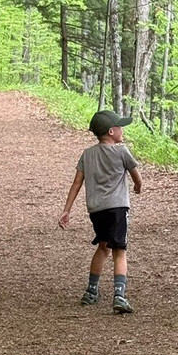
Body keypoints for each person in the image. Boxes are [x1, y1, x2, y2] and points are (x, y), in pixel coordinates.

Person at [58, 110, 142, 314]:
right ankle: (119, 295)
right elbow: (136, 175)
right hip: (118, 208)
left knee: (103, 247)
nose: (122, 130)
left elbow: (77, 182)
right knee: (119, 251)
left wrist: (67, 210)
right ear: (112, 131)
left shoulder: (87, 155)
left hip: (96, 210)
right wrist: (138, 186)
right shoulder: (122, 151)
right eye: (120, 127)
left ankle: (91, 291)